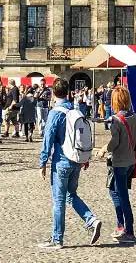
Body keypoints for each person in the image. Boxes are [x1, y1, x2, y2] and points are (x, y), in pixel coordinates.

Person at [37, 78, 102, 250]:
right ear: (68, 93)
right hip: (76, 159)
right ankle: (91, 220)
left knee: (59, 200)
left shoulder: (55, 113)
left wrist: (43, 162)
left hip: (61, 161)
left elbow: (48, 138)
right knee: (71, 195)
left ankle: (57, 239)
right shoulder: (75, 110)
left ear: (53, 93)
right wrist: (85, 158)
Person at [99, 85, 136, 243]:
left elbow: (115, 142)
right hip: (131, 162)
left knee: (122, 196)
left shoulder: (116, 120)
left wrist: (103, 149)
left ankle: (129, 231)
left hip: (119, 163)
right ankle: (121, 225)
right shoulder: (134, 117)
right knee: (114, 191)